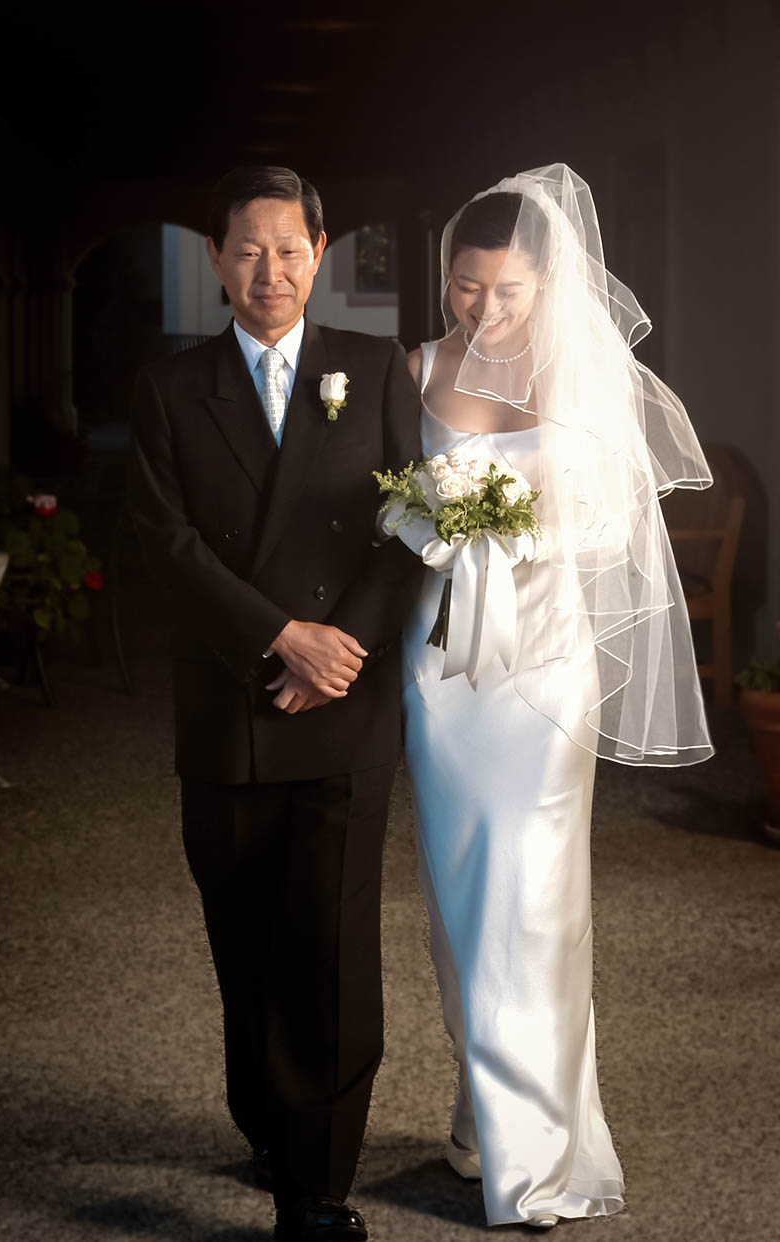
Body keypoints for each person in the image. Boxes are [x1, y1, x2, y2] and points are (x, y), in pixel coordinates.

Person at [394, 164, 713, 1229]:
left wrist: (517, 523)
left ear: (547, 285)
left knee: (531, 902)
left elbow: (617, 528)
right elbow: (379, 511)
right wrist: (430, 520)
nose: (481, 310)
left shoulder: (581, 377)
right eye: (464, 286)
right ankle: (482, 1118)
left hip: (540, 670)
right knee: (454, 909)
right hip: (440, 669)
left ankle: (536, 1165)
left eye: (505, 292)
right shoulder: (415, 367)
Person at [127, 165, 422, 1242]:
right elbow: (164, 545)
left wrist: (334, 650)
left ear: (320, 250)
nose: (271, 271)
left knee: (333, 947)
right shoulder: (170, 387)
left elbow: (410, 521)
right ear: (214, 259)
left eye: (290, 249)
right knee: (242, 937)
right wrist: (276, 637)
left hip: (343, 701)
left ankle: (321, 1188)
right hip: (230, 705)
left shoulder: (369, 365)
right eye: (247, 250)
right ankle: (265, 1120)